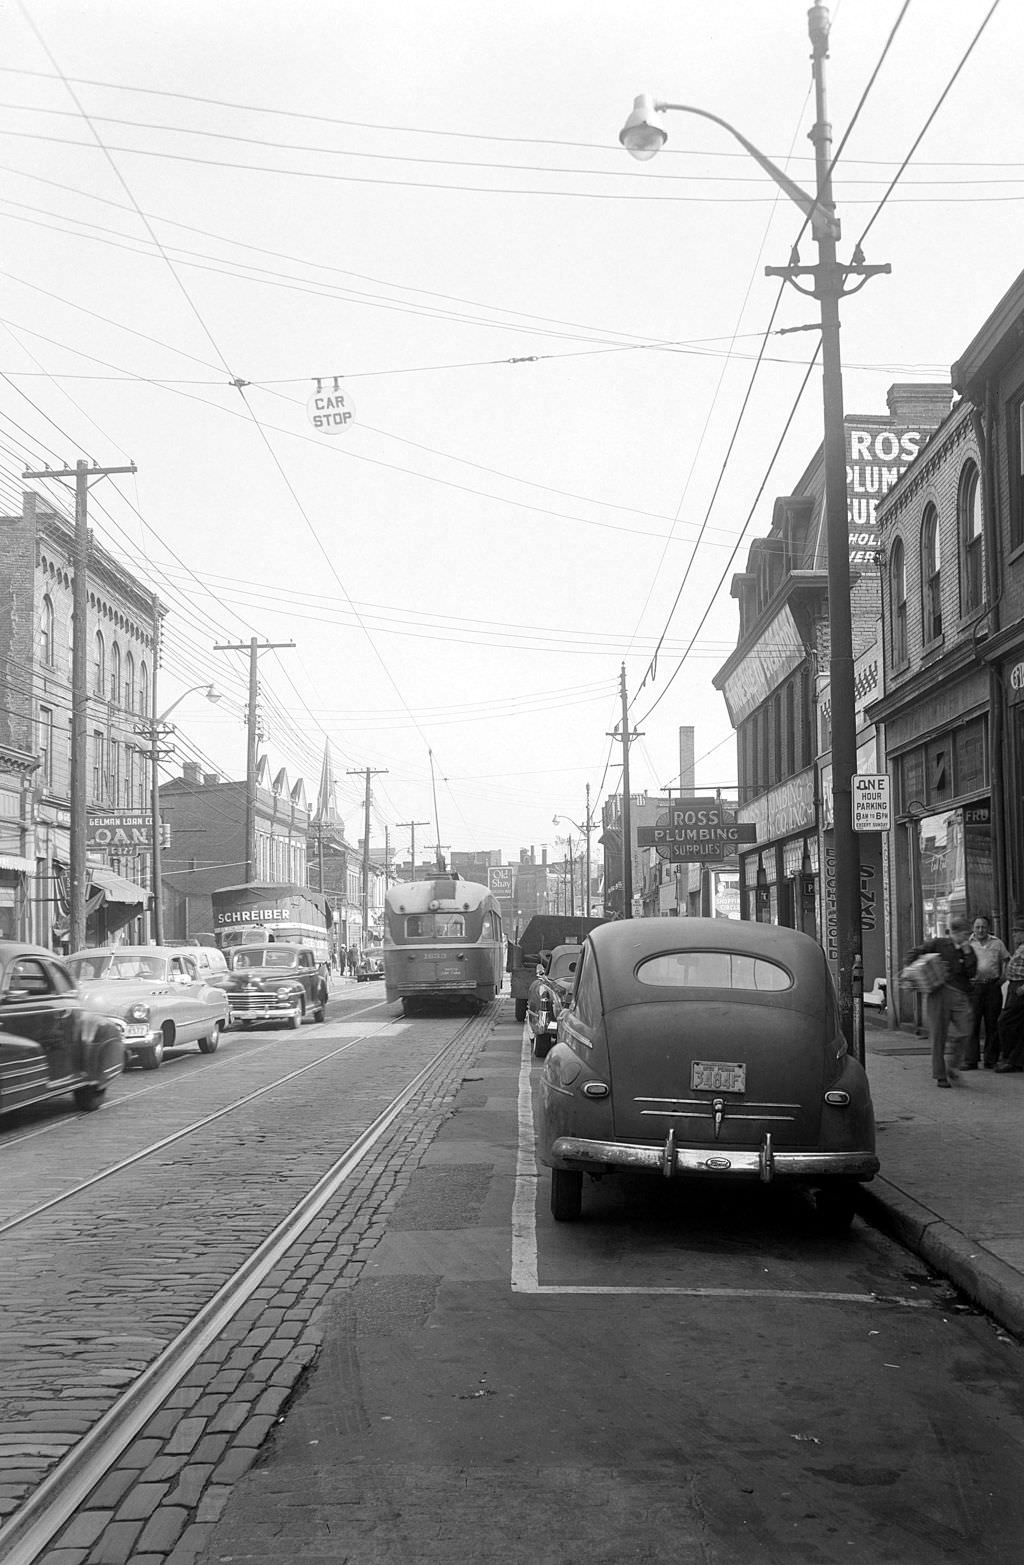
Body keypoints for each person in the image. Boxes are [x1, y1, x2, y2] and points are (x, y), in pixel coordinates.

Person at [905, 913, 978, 1088]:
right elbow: (915, 952)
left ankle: (952, 1065)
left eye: (968, 934)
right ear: (955, 932)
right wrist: (911, 971)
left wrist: (968, 954)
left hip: (960, 994)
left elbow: (971, 973)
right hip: (938, 993)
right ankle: (940, 1075)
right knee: (938, 1035)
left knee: (965, 1030)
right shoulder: (939, 944)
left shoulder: (968, 950)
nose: (967, 937)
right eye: (964, 934)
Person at [965, 916, 1010, 1068]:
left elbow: (1006, 960)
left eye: (983, 927)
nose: (980, 930)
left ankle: (991, 1059)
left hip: (992, 986)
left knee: (992, 1023)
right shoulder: (967, 944)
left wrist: (1003, 977)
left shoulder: (997, 943)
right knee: (972, 1024)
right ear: (973, 928)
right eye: (977, 927)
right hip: (974, 988)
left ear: (988, 928)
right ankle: (971, 1059)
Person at [995, 926, 1024, 1072]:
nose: (1013, 935)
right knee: (1018, 1025)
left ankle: (1008, 1058)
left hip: (1020, 988)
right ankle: (1016, 1060)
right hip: (1014, 986)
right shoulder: (1020, 948)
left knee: (1005, 1022)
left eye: (1017, 932)